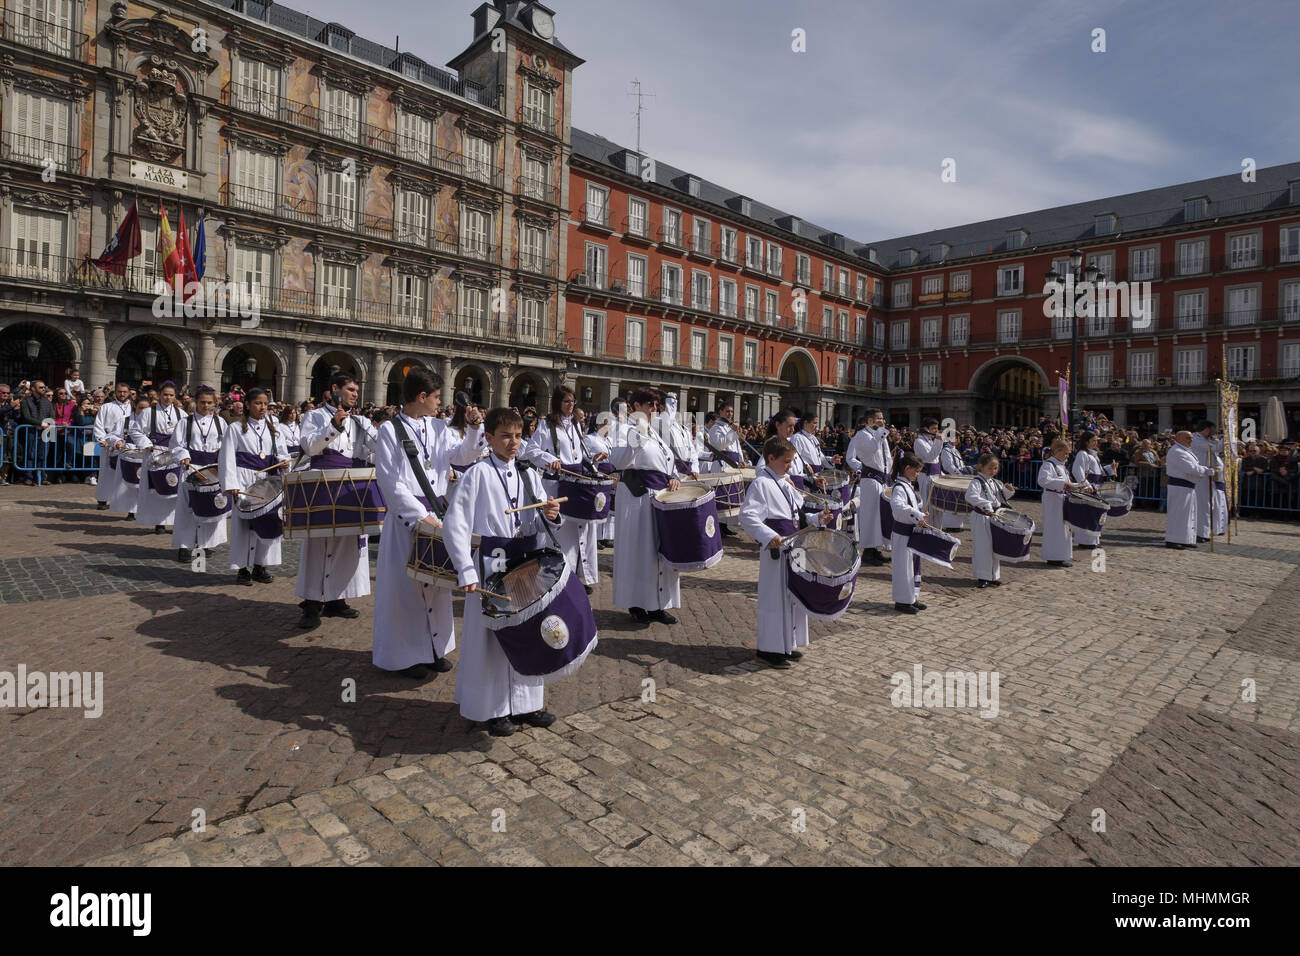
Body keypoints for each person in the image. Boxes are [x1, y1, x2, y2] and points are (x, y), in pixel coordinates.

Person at [443, 407, 567, 737]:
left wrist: (551, 514)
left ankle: (528, 704)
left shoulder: (529, 473)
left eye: (518, 436)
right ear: (489, 438)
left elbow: (541, 516)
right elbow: (455, 524)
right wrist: (466, 570)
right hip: (491, 563)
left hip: (524, 560)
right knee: (491, 637)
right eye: (505, 436)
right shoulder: (478, 473)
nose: (513, 443)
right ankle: (492, 708)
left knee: (528, 629)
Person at [372, 367, 484, 678]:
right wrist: (421, 518)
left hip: (437, 513)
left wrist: (474, 428)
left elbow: (464, 456)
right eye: (435, 398)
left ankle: (434, 649)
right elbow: (391, 483)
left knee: (437, 585)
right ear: (421, 397)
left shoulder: (438, 428)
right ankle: (405, 656)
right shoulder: (389, 431)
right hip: (409, 519)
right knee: (406, 590)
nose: (439, 403)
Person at [739, 435, 833, 669]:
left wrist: (817, 519)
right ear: (771, 458)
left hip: (794, 547)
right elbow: (747, 516)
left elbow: (798, 517)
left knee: (792, 596)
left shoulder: (785, 483)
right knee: (775, 599)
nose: (790, 466)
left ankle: (786, 644)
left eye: (791, 461)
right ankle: (768, 649)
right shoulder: (762, 483)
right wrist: (769, 536)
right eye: (787, 461)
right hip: (776, 548)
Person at [294, 373, 378, 629]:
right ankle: (310, 603)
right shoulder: (315, 416)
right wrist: (333, 426)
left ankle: (336, 599)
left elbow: (377, 447)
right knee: (317, 544)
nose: (355, 393)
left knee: (347, 543)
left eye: (356, 390)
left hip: (352, 486)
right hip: (322, 485)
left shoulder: (361, 421)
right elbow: (309, 447)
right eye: (350, 389)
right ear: (335, 389)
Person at [608, 387, 682, 625]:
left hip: (658, 497)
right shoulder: (625, 429)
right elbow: (618, 460)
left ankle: (657, 604)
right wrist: (637, 434)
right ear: (636, 406)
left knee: (657, 553)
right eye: (649, 404)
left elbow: (668, 461)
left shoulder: (655, 433)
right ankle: (637, 603)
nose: (654, 409)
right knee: (638, 552)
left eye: (656, 405)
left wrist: (674, 477)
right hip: (637, 498)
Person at [521, 386, 604, 595]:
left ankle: (574, 577)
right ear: (558, 402)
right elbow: (531, 451)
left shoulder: (575, 425)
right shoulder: (546, 425)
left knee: (577, 533)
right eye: (567, 401)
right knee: (561, 534)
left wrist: (592, 461)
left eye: (573, 401)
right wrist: (551, 460)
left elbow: (578, 455)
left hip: (576, 483)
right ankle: (558, 577)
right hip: (557, 485)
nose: (571, 405)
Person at [219, 387, 291, 585]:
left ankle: (261, 565)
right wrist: (231, 484)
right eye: (258, 403)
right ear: (248, 405)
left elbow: (282, 452)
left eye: (265, 404)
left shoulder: (273, 429)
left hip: (268, 480)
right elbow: (227, 457)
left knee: (267, 520)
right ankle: (242, 569)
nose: (262, 407)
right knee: (243, 526)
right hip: (244, 479)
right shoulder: (235, 428)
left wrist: (284, 462)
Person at [169, 385, 228, 563]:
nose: (206, 406)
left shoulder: (221, 422)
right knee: (187, 509)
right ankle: (185, 546)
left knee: (211, 506)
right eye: (202, 402)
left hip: (213, 470)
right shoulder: (185, 422)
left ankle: (206, 543)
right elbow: (175, 445)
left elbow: (227, 446)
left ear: (215, 403)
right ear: (196, 402)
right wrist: (183, 455)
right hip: (191, 469)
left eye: (209, 402)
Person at [130, 382, 184, 534]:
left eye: (171, 395)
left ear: (175, 397)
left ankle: (174, 521)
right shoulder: (148, 412)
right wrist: (146, 443)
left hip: (174, 454)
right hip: (155, 452)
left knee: (174, 487)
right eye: (165, 394)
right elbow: (135, 431)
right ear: (159, 395)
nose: (168, 398)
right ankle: (159, 522)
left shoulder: (182, 414)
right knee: (156, 488)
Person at [845, 408, 891, 566]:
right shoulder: (862, 435)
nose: (882, 421)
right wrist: (880, 433)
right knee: (870, 516)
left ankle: (875, 549)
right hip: (871, 479)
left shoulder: (879, 435)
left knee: (879, 516)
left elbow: (885, 457)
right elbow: (871, 449)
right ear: (869, 420)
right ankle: (867, 552)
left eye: (882, 418)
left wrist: (889, 472)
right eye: (878, 418)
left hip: (881, 478)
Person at [965, 453, 1018, 588]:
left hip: (994, 517)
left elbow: (999, 498)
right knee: (983, 547)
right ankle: (982, 577)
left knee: (994, 547)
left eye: (996, 468)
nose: (993, 471)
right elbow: (970, 496)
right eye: (990, 468)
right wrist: (985, 504)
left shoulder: (995, 482)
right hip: (981, 517)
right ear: (981, 467)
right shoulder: (976, 482)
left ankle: (993, 576)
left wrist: (1008, 491)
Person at [889, 453, 931, 614]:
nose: (917, 474)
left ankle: (911, 597)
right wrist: (917, 515)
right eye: (916, 471)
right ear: (907, 469)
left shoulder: (907, 485)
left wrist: (919, 515)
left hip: (910, 531)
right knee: (903, 567)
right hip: (902, 533)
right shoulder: (899, 487)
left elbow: (910, 506)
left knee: (912, 566)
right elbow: (898, 506)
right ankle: (902, 601)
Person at [1037, 438, 1087, 566]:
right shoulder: (1049, 464)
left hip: (1062, 499)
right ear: (1057, 451)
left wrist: (1079, 485)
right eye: (1065, 453)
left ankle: (1061, 555)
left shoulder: (1062, 466)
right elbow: (1043, 480)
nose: (1067, 456)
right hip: (1052, 499)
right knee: (1054, 528)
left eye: (1068, 453)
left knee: (1064, 527)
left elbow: (1068, 484)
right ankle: (1053, 557)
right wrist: (1063, 483)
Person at [1164, 430, 1217, 550]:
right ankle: (1173, 539)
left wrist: (1203, 469)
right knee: (1178, 514)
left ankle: (1185, 538)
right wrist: (1205, 470)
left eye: (1192, 438)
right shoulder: (1176, 451)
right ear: (1178, 439)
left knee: (1188, 514)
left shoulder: (1186, 451)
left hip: (1188, 486)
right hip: (1179, 487)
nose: (1191, 440)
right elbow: (1191, 468)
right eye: (1188, 438)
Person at [92, 382, 134, 511]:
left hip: (128, 445)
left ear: (129, 393)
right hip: (109, 445)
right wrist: (102, 439)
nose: (122, 394)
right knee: (106, 473)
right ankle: (103, 499)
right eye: (119, 391)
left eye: (124, 392)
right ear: (115, 393)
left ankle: (125, 502)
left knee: (128, 474)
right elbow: (98, 424)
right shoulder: (106, 407)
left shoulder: (133, 408)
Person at [1069, 432, 1104, 549]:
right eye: (1093, 441)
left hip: (1095, 486)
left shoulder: (1093, 454)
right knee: (1087, 513)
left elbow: (1097, 471)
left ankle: (1093, 540)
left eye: (1096, 441)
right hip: (1089, 488)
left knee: (1094, 514)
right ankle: (1085, 541)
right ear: (1086, 441)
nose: (1096, 443)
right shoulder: (1082, 454)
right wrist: (1086, 486)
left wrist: (1111, 468)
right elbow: (1077, 470)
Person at [17, 380, 54, 486]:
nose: (43, 389)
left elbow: (52, 416)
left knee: (43, 454)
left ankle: (42, 477)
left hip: (44, 431)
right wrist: (39, 423)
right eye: (41, 387)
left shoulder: (47, 401)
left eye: (44, 387)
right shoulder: (26, 401)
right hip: (31, 431)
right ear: (33, 388)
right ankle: (28, 477)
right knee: (30, 454)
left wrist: (45, 424)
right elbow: (26, 416)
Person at [1189, 421, 1218, 544]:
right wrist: (1228, 440)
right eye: (1213, 429)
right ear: (1207, 429)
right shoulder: (1196, 439)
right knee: (1202, 505)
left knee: (1207, 505)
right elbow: (1215, 448)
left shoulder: (1205, 440)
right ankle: (1199, 533)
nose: (1215, 432)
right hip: (1200, 476)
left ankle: (1204, 532)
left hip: (1207, 476)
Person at [937, 435, 970, 532]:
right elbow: (948, 466)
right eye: (955, 437)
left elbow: (960, 464)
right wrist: (959, 475)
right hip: (951, 478)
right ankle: (948, 524)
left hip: (958, 478)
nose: (958, 440)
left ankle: (956, 525)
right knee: (950, 501)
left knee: (958, 502)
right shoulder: (945, 450)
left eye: (958, 438)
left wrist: (966, 472)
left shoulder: (955, 450)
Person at [913, 417, 943, 513]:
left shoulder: (931, 441)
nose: (936, 431)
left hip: (935, 475)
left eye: (936, 428)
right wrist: (939, 441)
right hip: (926, 475)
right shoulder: (919, 441)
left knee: (936, 505)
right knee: (927, 503)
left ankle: (935, 527)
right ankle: (925, 526)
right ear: (926, 429)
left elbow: (936, 460)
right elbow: (929, 457)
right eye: (934, 428)